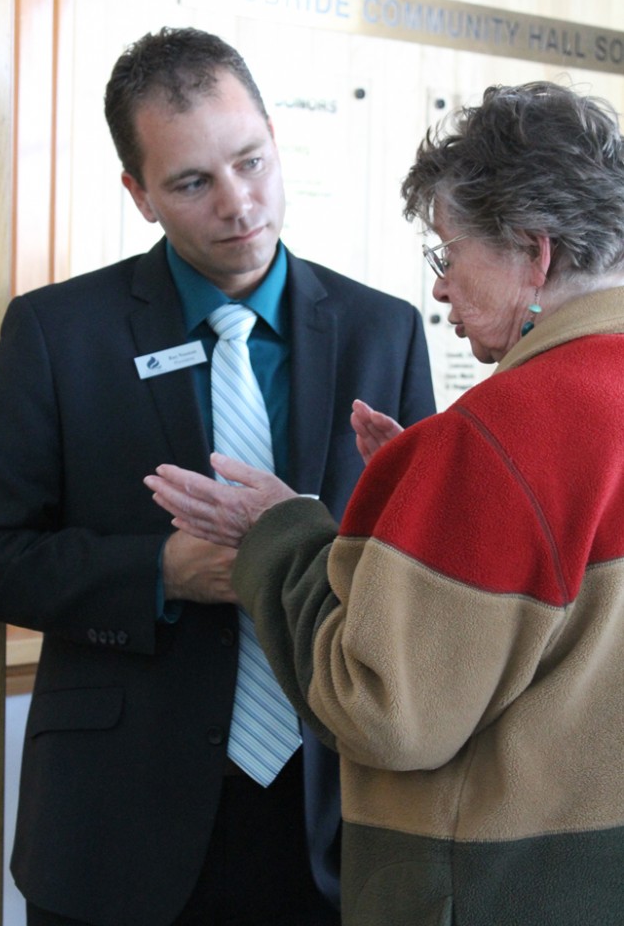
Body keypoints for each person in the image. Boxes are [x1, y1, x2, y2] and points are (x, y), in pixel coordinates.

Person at [0, 26, 436, 926]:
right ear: (138, 194)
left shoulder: (384, 331)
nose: (240, 205)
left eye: (252, 162)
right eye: (192, 184)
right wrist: (163, 573)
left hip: (335, 823)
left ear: (277, 142)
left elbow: (426, 573)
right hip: (114, 830)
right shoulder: (59, 333)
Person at [142, 80, 624, 926]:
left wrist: (279, 536)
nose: (440, 290)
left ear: (534, 253)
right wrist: (426, 493)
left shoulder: (500, 434)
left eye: (450, 253)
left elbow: (386, 711)